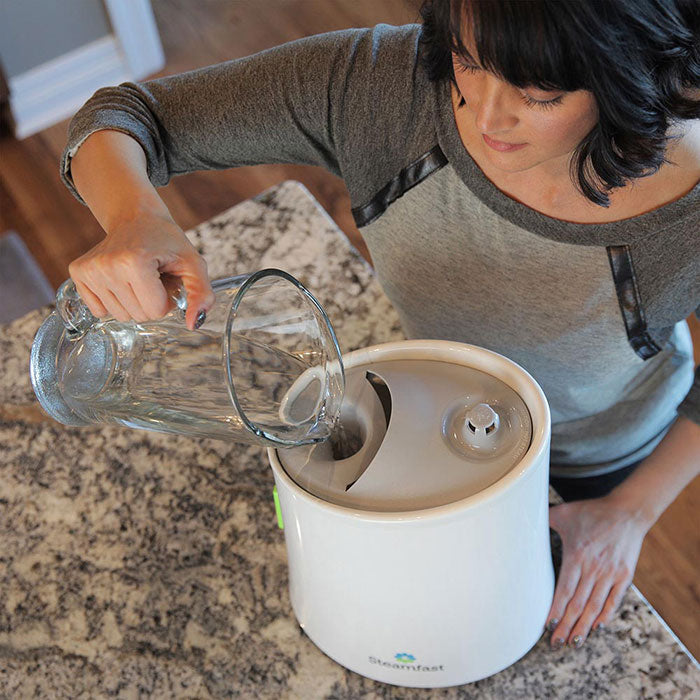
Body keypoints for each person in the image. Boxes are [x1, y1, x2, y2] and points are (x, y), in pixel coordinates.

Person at [60, 0, 699, 652]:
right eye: (468, 61)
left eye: (540, 94)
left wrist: (631, 512)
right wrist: (135, 216)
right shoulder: (378, 88)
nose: (485, 116)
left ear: (629, 76)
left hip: (591, 453)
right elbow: (124, 117)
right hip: (423, 393)